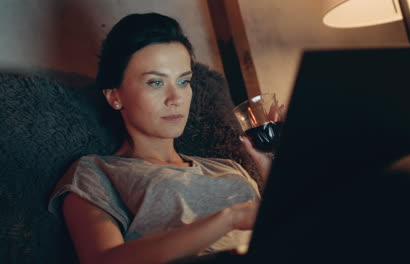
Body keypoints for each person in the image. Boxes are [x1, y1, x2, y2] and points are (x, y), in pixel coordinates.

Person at [48, 13, 275, 264]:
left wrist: (275, 168)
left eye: (183, 81)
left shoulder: (229, 168)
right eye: (156, 83)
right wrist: (229, 218)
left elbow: (292, 229)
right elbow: (102, 260)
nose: (175, 98)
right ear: (115, 96)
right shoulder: (96, 173)